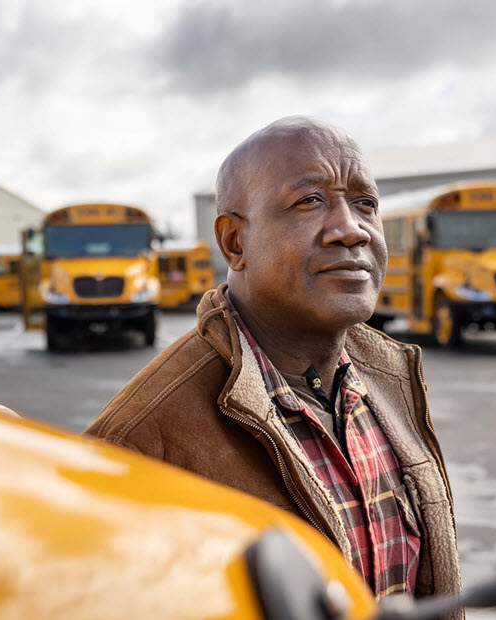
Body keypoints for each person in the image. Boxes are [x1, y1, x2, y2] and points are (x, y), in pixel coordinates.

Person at [86, 117, 461, 605]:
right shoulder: (140, 439)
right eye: (309, 201)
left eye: (366, 203)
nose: (352, 230)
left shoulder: (390, 377)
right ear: (234, 243)